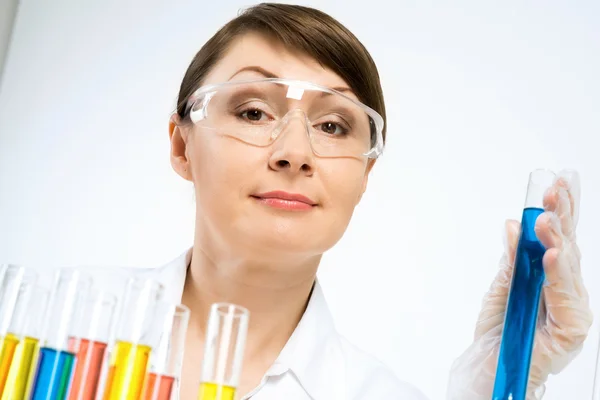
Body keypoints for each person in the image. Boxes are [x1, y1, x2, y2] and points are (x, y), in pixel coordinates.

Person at [116, 3, 592, 399]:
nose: (294, 154)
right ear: (182, 146)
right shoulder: (53, 331)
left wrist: (508, 380)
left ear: (365, 173)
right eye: (254, 112)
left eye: (332, 126)